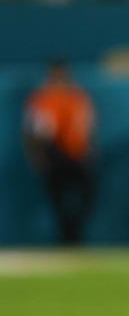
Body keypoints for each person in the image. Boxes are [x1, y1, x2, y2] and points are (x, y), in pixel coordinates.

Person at [23, 59, 95, 244]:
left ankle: (74, 235)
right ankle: (65, 238)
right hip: (54, 153)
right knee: (57, 200)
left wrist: (89, 150)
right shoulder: (43, 99)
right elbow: (34, 132)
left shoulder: (77, 97)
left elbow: (86, 126)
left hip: (77, 154)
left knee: (86, 196)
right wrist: (37, 156)